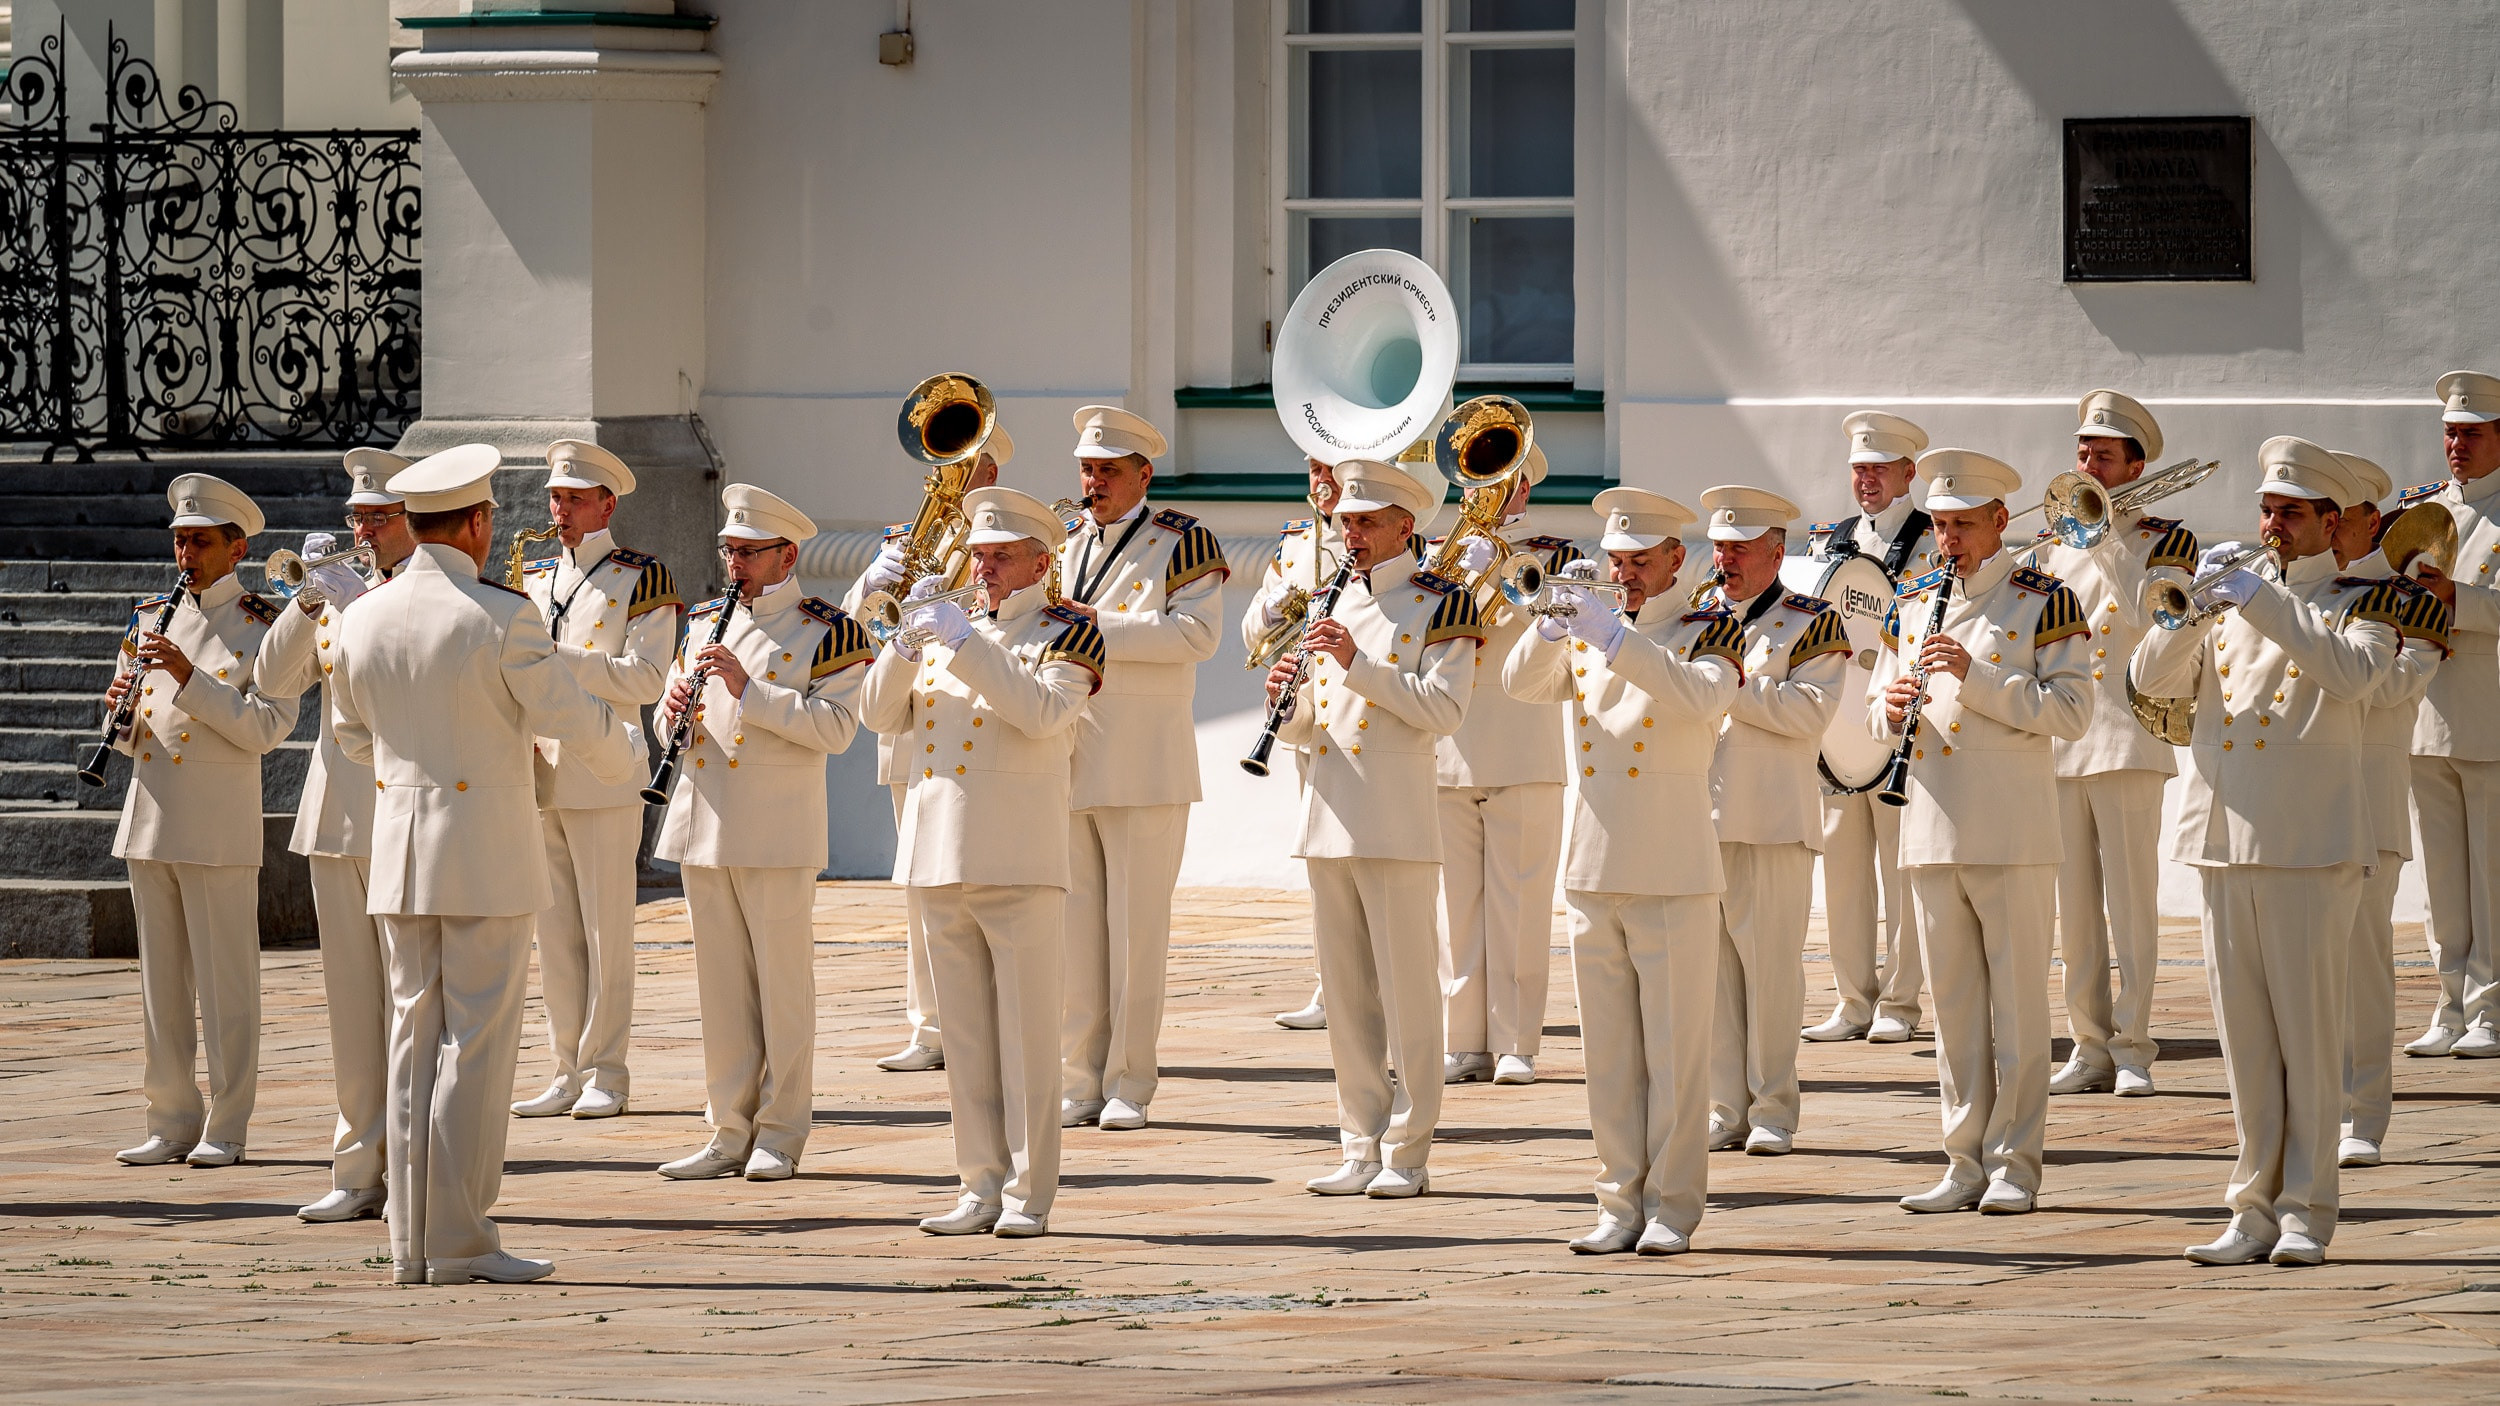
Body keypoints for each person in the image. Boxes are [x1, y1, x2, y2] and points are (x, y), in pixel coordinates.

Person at [327, 443, 639, 1286]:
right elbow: (566, 713)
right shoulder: (501, 614)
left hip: (400, 848)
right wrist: (629, 758)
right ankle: (458, 1238)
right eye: (491, 516)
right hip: (486, 850)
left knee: (410, 1037)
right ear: (473, 522)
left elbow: (354, 735)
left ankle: (408, 1241)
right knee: (475, 1044)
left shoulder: (362, 615)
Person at [2133, 437, 2443, 1266]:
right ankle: (2250, 1206)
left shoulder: (2368, 599)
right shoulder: (2235, 595)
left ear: (2329, 523)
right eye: (2267, 509)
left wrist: (2259, 601)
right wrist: (2190, 608)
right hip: (2224, 833)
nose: (2272, 525)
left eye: (2291, 513)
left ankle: (2306, 1206)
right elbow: (2150, 680)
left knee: (2308, 1035)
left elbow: (2353, 678)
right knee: (2246, 1040)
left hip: (2310, 839)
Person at [1505, 488, 1743, 1253]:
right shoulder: (1586, 622)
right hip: (1594, 860)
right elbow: (1518, 686)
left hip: (1672, 863)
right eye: (1617, 561)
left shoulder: (1709, 626)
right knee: (1607, 1055)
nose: (1628, 573)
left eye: (1643, 561)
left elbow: (1697, 697)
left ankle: (1673, 1204)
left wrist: (1613, 637)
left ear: (1678, 559)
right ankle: (1616, 1200)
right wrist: (1553, 622)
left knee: (1675, 1054)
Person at [861, 486, 1102, 1238]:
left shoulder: (1068, 633)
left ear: (1039, 562)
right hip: (937, 855)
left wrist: (965, 644)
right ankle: (978, 1186)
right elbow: (875, 715)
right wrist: (904, 645)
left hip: (1017, 855)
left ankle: (1031, 1192)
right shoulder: (943, 627)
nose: (986, 568)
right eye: (980, 555)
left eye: (1001, 557)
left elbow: (1039, 713)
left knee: (1029, 1038)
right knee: (964, 1039)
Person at [1870, 449, 2093, 1216]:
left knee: (2018, 1011)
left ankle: (2016, 1165)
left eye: (1963, 524)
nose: (1948, 537)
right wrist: (1890, 708)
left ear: (2000, 521)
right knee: (1955, 1011)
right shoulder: (1914, 595)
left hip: (2011, 833)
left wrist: (1977, 676)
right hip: (1931, 829)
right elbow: (1872, 707)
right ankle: (1962, 1160)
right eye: (1939, 523)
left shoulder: (2045, 599)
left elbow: (2070, 713)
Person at [1266, 457, 1479, 1200]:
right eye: (1345, 520)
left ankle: (1409, 1150)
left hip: (1393, 821)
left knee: (1409, 994)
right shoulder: (1331, 597)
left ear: (1404, 525)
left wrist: (1357, 664)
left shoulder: (1439, 605)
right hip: (1328, 818)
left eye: (1364, 520)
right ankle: (1359, 1142)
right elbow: (1312, 725)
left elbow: (1443, 712)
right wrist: (1284, 709)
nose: (1349, 532)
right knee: (1349, 997)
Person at [651, 485, 873, 1182]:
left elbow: (837, 730)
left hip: (776, 830)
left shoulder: (829, 628)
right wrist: (672, 710)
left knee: (782, 988)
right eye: (730, 551)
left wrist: (751, 691)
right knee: (720, 990)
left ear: (789, 555)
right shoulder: (706, 620)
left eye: (749, 552)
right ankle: (726, 1130)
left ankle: (781, 1131)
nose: (735, 564)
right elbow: (668, 720)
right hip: (704, 821)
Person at [107, 474, 301, 1169]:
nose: (185, 552)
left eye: (199, 541)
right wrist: (116, 715)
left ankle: (228, 1124)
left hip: (217, 825)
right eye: (180, 540)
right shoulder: (149, 614)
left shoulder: (261, 623)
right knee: (160, 985)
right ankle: (170, 1118)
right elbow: (133, 727)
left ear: (235, 546)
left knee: (226, 985)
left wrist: (191, 677)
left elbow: (269, 727)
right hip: (152, 818)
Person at [1051, 406, 1228, 1131]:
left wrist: (1091, 622)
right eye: (1087, 470)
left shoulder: (1181, 543)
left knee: (1135, 933)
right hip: (1068, 754)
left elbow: (1197, 636)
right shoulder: (1062, 541)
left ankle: (1130, 1081)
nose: (1094, 484)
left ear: (1142, 475)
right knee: (1076, 934)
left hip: (1144, 763)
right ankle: (1078, 1079)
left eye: (1108, 472)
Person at [254, 449, 419, 1219]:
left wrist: (355, 608)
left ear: (412, 522)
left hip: (401, 817)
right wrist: (304, 602)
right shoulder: (337, 594)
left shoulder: (427, 595)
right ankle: (356, 1171)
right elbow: (271, 682)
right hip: (336, 818)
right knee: (351, 1012)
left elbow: (399, 686)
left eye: (378, 519)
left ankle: (413, 1174)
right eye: (357, 518)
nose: (364, 531)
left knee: (410, 1010)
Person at [511, 441, 681, 1121]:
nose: (561, 510)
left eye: (575, 499)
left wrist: (561, 661)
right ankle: (564, 1066)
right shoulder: (535, 576)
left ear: (608, 504)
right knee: (554, 932)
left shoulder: (642, 578)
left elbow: (645, 679)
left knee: (609, 929)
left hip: (606, 765)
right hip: (542, 767)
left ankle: (608, 1069)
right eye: (555, 498)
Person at [2036, 392, 2200, 1099]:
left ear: (2136, 465)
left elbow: (2155, 618)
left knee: (2131, 902)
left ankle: (2134, 1045)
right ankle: (2089, 1045)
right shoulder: (2051, 546)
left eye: (2103, 455)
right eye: (2082, 452)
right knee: (2073, 907)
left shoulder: (2167, 541)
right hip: (2067, 740)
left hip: (2131, 735)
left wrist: (2105, 541)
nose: (2088, 464)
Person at [848, 426, 1010, 1073]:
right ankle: (928, 1026)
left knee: (983, 886)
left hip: (974, 728)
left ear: (992, 474)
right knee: (921, 888)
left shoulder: (1009, 545)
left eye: (966, 467)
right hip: (910, 729)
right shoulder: (905, 541)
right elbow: (851, 635)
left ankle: (986, 1015)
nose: (950, 480)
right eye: (949, 469)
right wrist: (867, 585)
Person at [1694, 486, 1849, 1157]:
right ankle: (1726, 1107)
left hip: (1774, 822)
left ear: (1775, 551)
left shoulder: (1810, 621)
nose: (1724, 557)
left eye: (1739, 547)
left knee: (1772, 974)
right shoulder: (1691, 618)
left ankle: (1774, 1110)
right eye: (1719, 545)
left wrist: (1730, 684)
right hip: (1698, 819)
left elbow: (1809, 713)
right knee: (1712, 978)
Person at [1434, 447, 1573, 1088]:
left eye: (1505, 479)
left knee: (1520, 906)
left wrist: (1501, 578)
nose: (1492, 490)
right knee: (1456, 909)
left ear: (1523, 489)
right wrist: (1457, 580)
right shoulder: (1438, 554)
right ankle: (1464, 1039)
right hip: (1451, 746)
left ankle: (1517, 1039)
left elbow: (1556, 632)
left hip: (1522, 745)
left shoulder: (1556, 555)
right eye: (1482, 476)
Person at [2321, 450, 2437, 1170]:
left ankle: (2362, 1113)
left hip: (2365, 808)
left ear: (2371, 520)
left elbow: (2390, 690)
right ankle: (2311, 1109)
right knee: (2302, 975)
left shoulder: (2407, 600)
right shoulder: (2290, 596)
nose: (2329, 531)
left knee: (2361, 967)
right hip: (2291, 809)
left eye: (2342, 517)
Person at [1805, 410, 1936, 1043]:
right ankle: (1853, 1000)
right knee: (1843, 871)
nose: (1866, 481)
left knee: (1900, 868)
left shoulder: (1935, 540)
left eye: (1878, 470)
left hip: (1901, 719)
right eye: (1859, 470)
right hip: (1838, 727)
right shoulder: (1829, 543)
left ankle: (1900, 1003)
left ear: (1908, 473)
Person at [2400, 370, 2500, 1059]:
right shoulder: (2421, 510)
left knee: (2492, 872)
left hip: (2488, 711)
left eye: (2471, 433)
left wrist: (2455, 598)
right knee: (2441, 877)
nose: (2456, 445)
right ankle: (2450, 1000)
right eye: (2450, 433)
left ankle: (2491, 1008)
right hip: (2425, 711)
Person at [1244, 455, 1348, 1032]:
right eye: (1312, 469)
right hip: (1303, 713)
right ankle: (1328, 987)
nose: (1321, 482)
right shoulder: (1295, 544)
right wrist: (1274, 604)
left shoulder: (1392, 545)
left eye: (1332, 470)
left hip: (1357, 719)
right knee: (1320, 861)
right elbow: (1251, 635)